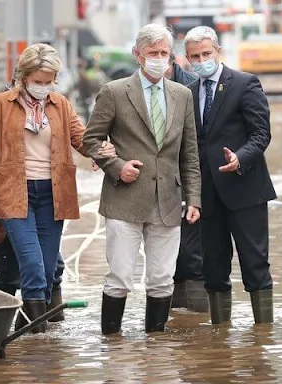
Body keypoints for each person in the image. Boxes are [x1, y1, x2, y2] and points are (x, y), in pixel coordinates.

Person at [0, 43, 114, 333]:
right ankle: (37, 341)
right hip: (13, 195)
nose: (44, 87)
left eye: (49, 82)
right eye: (38, 82)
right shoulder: (1, 104)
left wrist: (102, 150)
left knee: (48, 271)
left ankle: (29, 336)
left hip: (53, 195)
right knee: (33, 267)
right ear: (23, 77)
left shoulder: (60, 104)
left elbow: (82, 139)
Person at [83, 23, 202, 335]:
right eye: (152, 53)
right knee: (120, 276)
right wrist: (116, 165)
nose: (159, 58)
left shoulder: (182, 95)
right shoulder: (113, 92)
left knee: (162, 278)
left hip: (168, 201)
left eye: (164, 53)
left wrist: (195, 199)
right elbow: (90, 141)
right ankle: (112, 345)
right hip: (125, 198)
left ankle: (156, 349)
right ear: (138, 55)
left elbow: (189, 154)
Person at [184, 26, 276, 325]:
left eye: (206, 54)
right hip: (207, 195)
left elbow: (261, 134)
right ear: (187, 58)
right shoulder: (188, 92)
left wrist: (241, 158)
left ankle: (262, 336)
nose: (201, 60)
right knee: (212, 268)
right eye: (195, 56)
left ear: (218, 52)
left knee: (254, 265)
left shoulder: (244, 83)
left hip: (245, 190)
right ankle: (219, 333)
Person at [161, 52, 209, 313]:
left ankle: (195, 313)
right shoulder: (134, 89)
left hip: (191, 173)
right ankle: (171, 311)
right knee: (164, 248)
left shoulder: (190, 88)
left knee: (192, 249)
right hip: (159, 179)